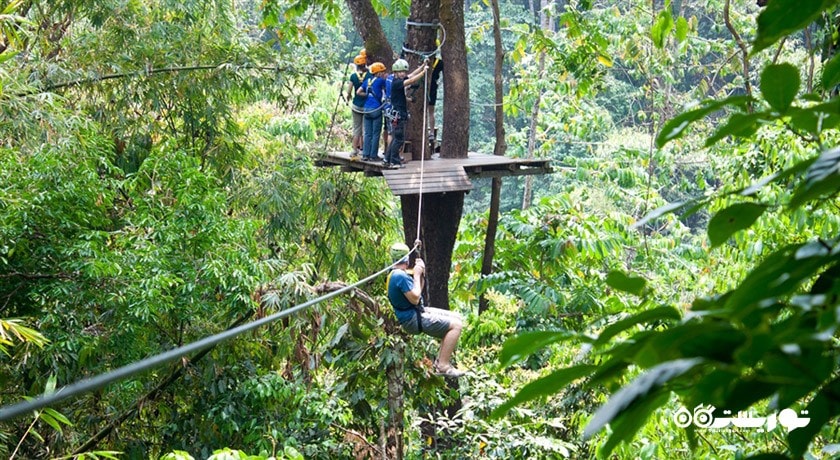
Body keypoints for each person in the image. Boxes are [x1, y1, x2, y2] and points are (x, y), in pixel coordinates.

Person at [386, 242, 466, 377]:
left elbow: (417, 291)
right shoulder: (399, 276)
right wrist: (416, 275)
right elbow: (415, 299)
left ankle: (440, 361)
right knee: (456, 326)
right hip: (412, 319)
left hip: (415, 313)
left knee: (456, 317)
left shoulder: (395, 274)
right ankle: (443, 365)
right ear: (406, 258)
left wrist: (420, 272)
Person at [383, 59, 427, 168]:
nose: (403, 73)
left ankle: (387, 159)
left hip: (397, 113)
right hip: (398, 114)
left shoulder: (398, 79)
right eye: (401, 72)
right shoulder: (397, 83)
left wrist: (422, 66)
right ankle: (394, 161)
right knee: (399, 139)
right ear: (395, 72)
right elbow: (411, 80)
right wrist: (423, 73)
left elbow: (411, 75)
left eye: (404, 71)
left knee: (395, 138)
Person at [357, 61, 387, 161]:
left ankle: (365, 155)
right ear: (378, 72)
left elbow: (358, 92)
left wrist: (367, 95)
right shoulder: (381, 81)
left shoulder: (367, 81)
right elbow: (387, 90)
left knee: (367, 133)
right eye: (382, 72)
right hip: (376, 109)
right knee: (375, 134)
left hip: (366, 109)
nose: (384, 73)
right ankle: (373, 156)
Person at [347, 55, 369, 159]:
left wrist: (348, 98)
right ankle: (363, 150)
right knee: (365, 129)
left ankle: (354, 150)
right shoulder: (369, 75)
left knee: (356, 129)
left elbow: (349, 90)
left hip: (356, 105)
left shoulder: (353, 76)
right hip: (366, 105)